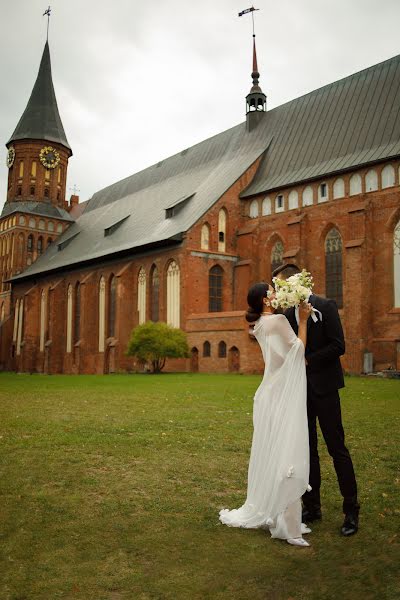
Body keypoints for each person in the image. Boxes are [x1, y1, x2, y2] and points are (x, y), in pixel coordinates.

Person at [219, 282, 313, 547]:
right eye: (271, 291)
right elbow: (298, 351)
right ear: (264, 300)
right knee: (288, 451)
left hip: (268, 393)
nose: (275, 293)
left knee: (274, 451)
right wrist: (303, 321)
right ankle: (288, 527)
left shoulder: (258, 324)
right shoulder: (279, 321)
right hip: (283, 393)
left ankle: (278, 515)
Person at [272, 263, 360, 536]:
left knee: (337, 448)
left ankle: (351, 510)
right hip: (301, 392)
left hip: (326, 388)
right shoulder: (287, 314)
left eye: (283, 286)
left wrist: (309, 360)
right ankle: (313, 505)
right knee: (307, 450)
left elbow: (339, 345)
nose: (281, 292)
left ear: (298, 282)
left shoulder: (326, 306)